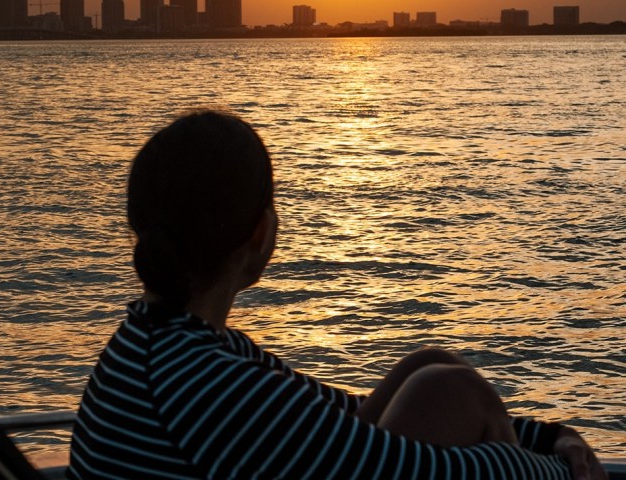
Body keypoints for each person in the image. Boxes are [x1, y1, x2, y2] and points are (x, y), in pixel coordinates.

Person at [67, 111, 606, 479]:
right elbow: (436, 474)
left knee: (431, 366)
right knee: (455, 388)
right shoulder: (206, 383)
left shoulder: (167, 348)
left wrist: (550, 436)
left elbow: (337, 416)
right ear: (261, 232)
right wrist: (560, 470)